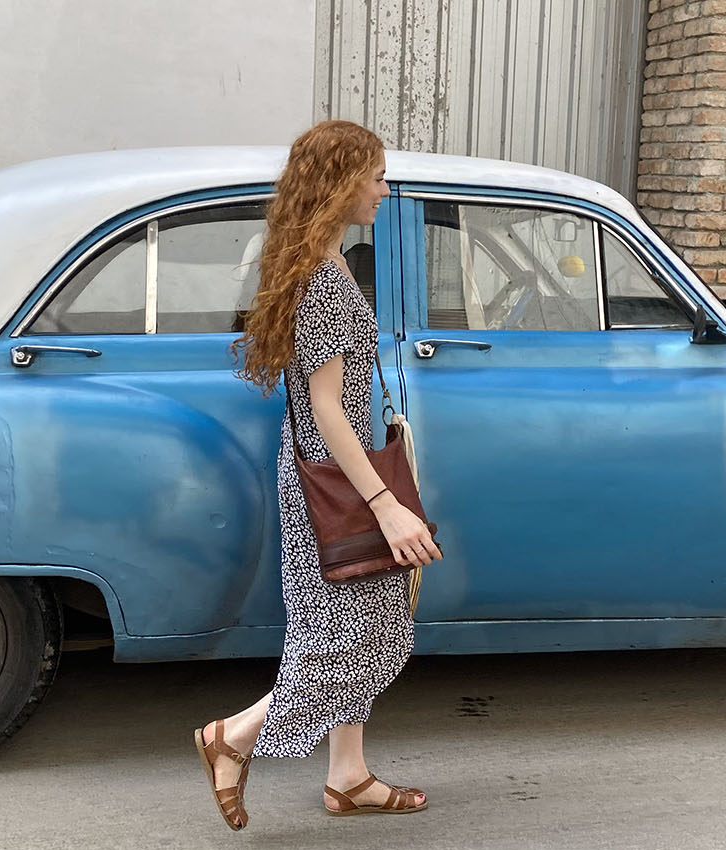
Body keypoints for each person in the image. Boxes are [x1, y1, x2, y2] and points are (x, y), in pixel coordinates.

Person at [194, 120, 441, 830]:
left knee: (359, 620)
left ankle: (348, 775)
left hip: (335, 470)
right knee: (345, 637)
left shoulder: (321, 262)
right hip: (341, 479)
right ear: (340, 184)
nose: (385, 191)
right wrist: (387, 503)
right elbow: (330, 409)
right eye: (375, 176)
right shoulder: (322, 282)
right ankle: (232, 737)